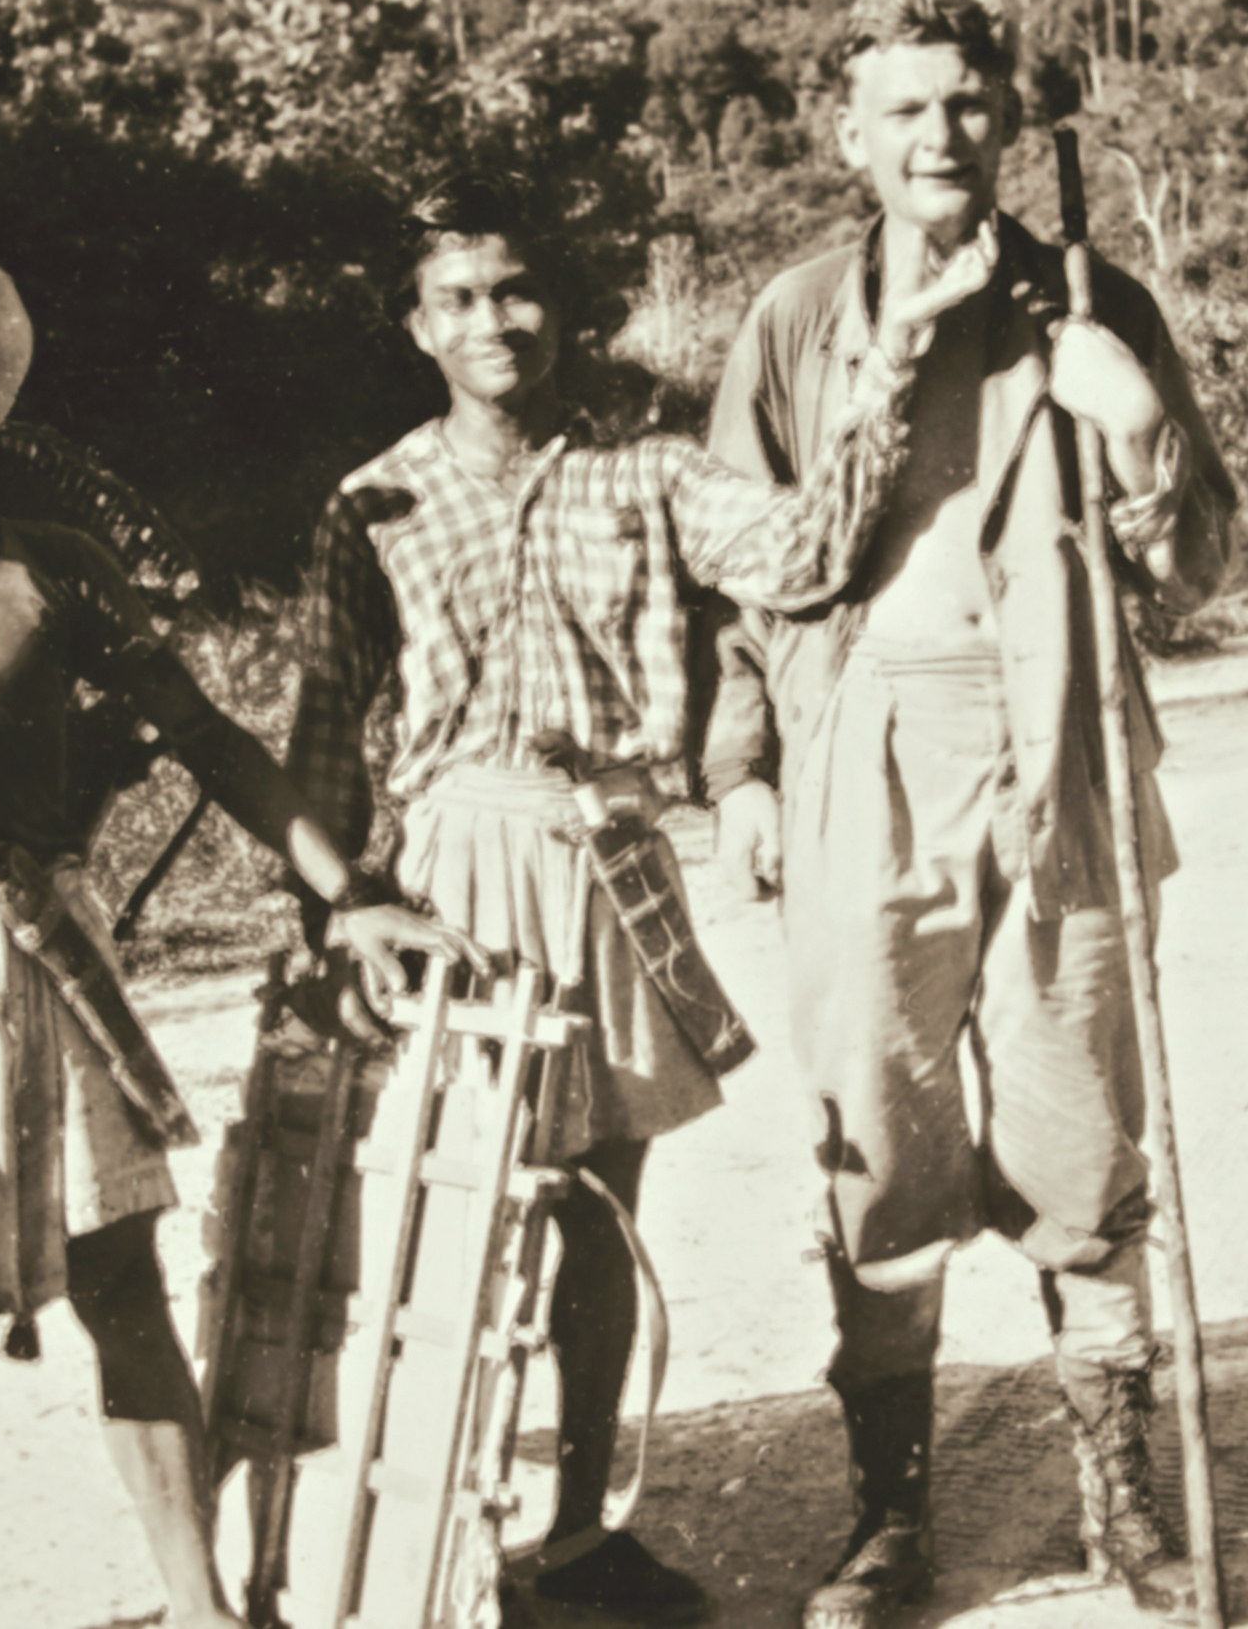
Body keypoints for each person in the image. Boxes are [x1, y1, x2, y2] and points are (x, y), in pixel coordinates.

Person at [0, 231, 472, 1629]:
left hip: (49, 951)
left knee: (123, 1284)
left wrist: (347, 894)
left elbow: (211, 738)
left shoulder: (54, 564)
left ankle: (202, 1604)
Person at [279, 171, 1009, 1625]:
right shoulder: (372, 504)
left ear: (565, 306)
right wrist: (335, 910)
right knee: (450, 1220)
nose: (497, 322)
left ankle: (576, 1538)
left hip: (605, 867)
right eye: (461, 301)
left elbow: (807, 553)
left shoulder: (655, 476)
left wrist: (898, 360)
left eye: (519, 290)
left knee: (598, 1216)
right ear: (416, 325)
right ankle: (435, 1548)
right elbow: (320, 727)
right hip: (450, 881)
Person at [700, 0, 1237, 1623]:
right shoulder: (799, 318)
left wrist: (1131, 420)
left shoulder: (1089, 297)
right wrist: (737, 770)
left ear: (1011, 119)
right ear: (850, 137)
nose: (941, 137)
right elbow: (735, 569)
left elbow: (1197, 565)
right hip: (865, 749)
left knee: (1082, 1125)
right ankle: (890, 1520)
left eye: (968, 105)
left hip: (1063, 742)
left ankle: (1121, 1506)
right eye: (906, 111)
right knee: (879, 1134)